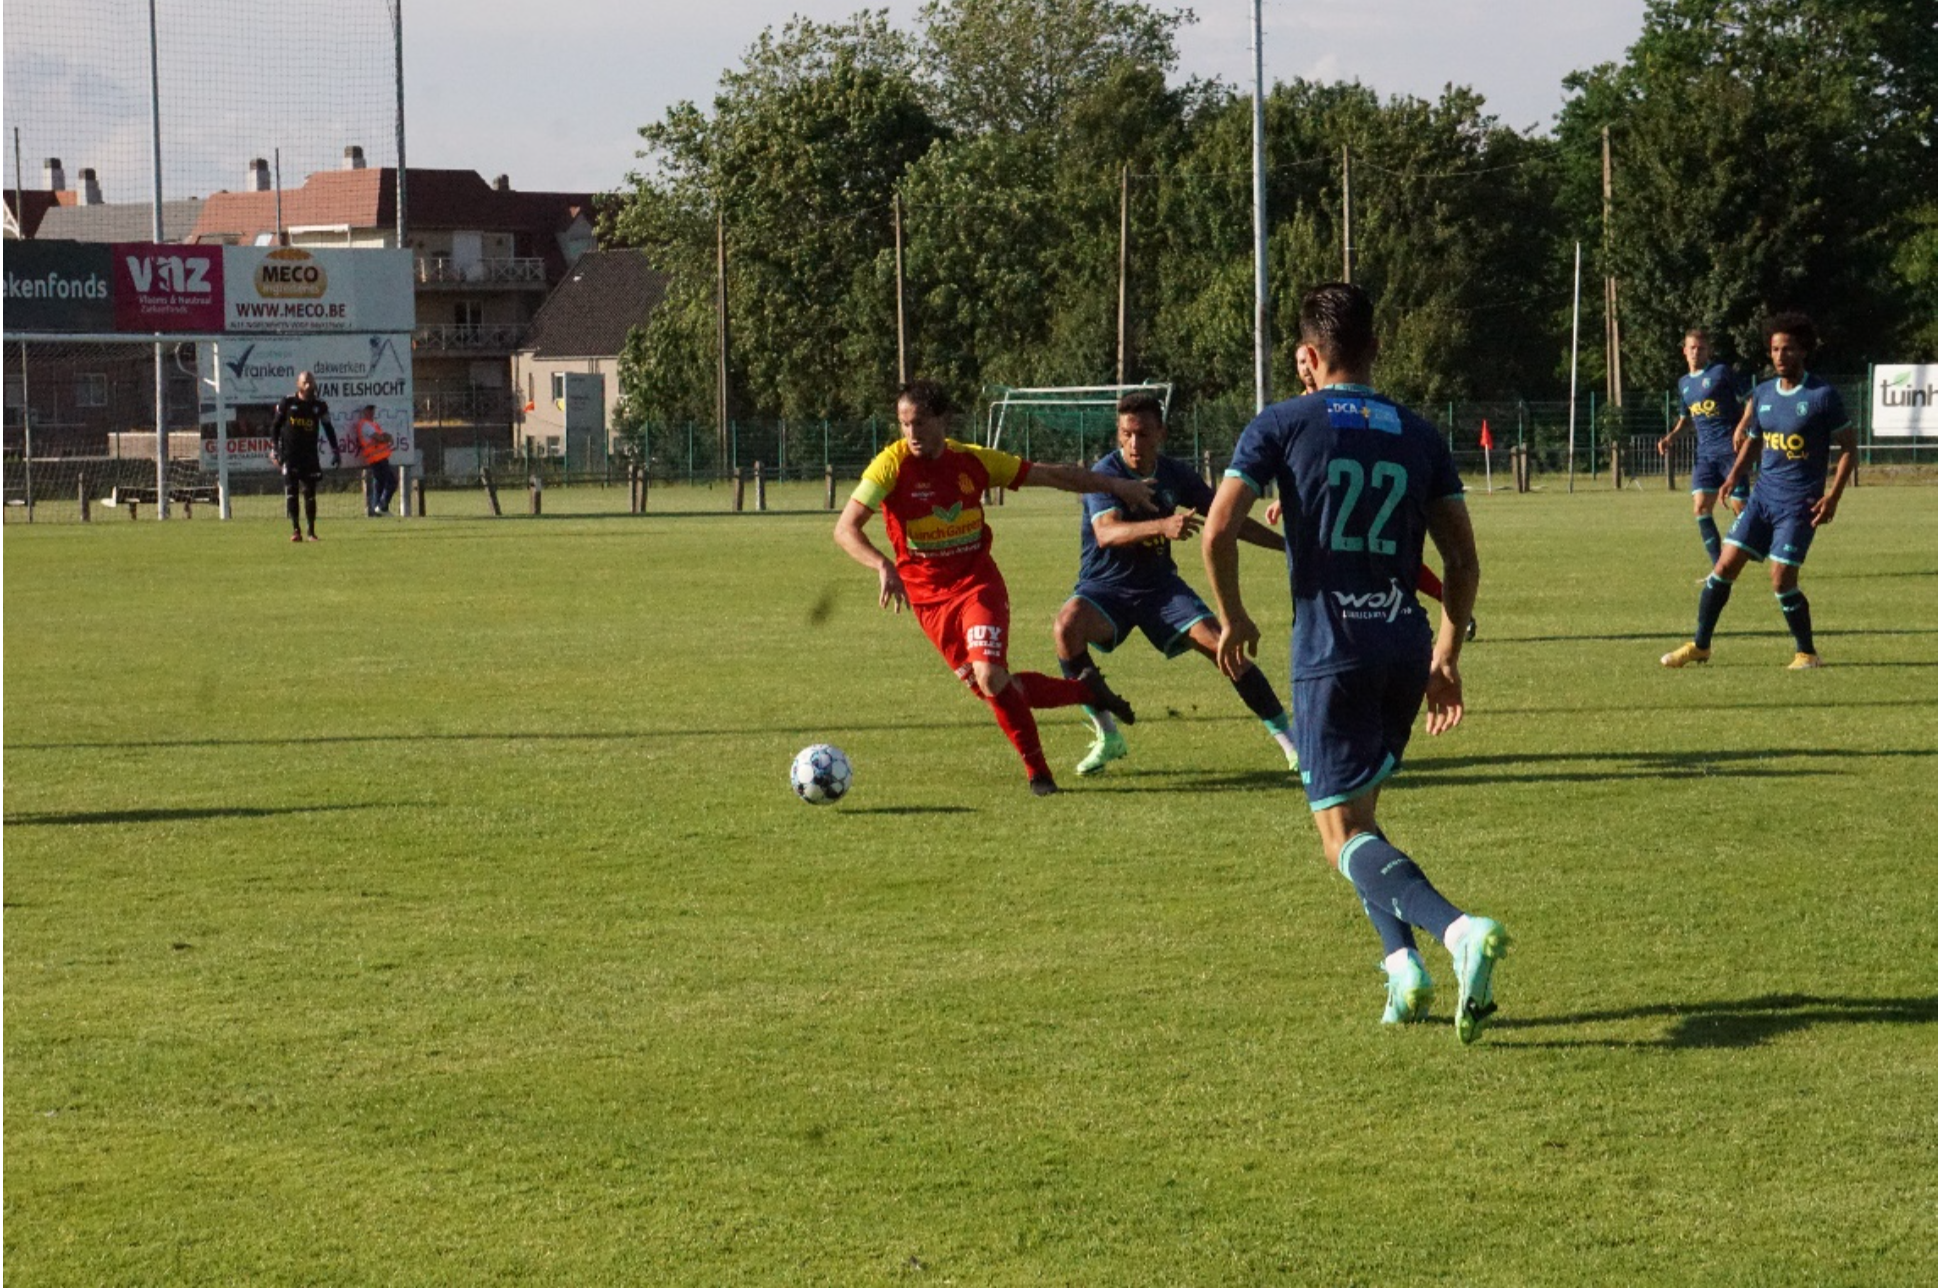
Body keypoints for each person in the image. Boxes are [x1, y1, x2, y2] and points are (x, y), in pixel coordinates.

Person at [1202, 281, 1508, 1043]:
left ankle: (1458, 930)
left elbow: (1215, 532)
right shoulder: (1418, 431)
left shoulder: (1281, 423)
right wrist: (1446, 652)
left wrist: (1236, 617)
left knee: (1340, 837)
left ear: (1307, 357)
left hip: (1330, 654)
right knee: (1361, 819)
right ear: (1376, 349)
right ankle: (1403, 974)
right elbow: (1463, 561)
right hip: (1403, 646)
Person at [835, 380, 1156, 796]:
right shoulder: (890, 466)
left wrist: (1118, 486)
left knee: (989, 676)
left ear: (941, 421)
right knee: (1000, 687)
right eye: (903, 424)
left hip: (977, 587)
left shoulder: (974, 462)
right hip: (930, 604)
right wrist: (881, 564)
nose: (911, 434)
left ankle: (1039, 774)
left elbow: (1051, 475)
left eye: (918, 423)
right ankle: (1086, 689)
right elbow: (845, 528)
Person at [1052, 392, 1300, 777]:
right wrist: (1162, 526)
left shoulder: (1175, 474)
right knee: (1066, 628)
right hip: (1105, 589)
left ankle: (1293, 746)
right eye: (1126, 434)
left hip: (1160, 589)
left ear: (1161, 434)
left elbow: (1226, 518)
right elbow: (1107, 532)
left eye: (1143, 434)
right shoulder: (1106, 473)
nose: (1134, 443)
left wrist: (1287, 546)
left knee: (1225, 647)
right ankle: (1107, 734)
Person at [1661, 312, 1854, 670]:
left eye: (1788, 349)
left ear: (1803, 351)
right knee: (1723, 567)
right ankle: (1700, 645)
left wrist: (1834, 497)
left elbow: (1849, 449)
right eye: (1775, 349)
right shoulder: (1764, 393)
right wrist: (1734, 475)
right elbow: (1754, 439)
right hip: (1763, 499)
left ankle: (1807, 653)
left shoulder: (1822, 396)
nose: (1780, 356)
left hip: (1799, 504)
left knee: (1781, 579)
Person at [1656, 328, 1750, 564]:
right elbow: (1686, 420)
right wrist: (1671, 437)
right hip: (1705, 455)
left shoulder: (1721, 373)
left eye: (1701, 348)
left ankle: (1762, 541)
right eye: (1692, 348)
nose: (1696, 352)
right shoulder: (1684, 384)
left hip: (1731, 452)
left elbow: (1752, 398)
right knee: (1700, 508)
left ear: (1709, 351)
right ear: (1684, 351)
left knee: (1742, 510)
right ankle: (1719, 567)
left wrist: (1742, 428)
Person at [268, 371, 340, 542]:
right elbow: (275, 427)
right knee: (291, 491)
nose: (309, 384)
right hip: (290, 455)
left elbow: (329, 428)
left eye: (311, 380)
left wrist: (335, 450)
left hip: (309, 456)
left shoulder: (319, 405)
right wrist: (275, 449)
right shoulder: (287, 402)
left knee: (310, 493)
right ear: (298, 384)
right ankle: (295, 529)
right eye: (305, 381)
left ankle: (311, 531)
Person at [348, 404, 398, 517]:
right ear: (364, 412)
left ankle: (377, 512)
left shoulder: (372, 424)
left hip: (378, 458)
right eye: (369, 410)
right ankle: (382, 506)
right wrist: (386, 438)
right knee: (392, 481)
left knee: (380, 483)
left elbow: (381, 437)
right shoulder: (365, 424)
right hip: (377, 458)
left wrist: (385, 437)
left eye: (372, 410)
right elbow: (379, 438)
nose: (371, 412)